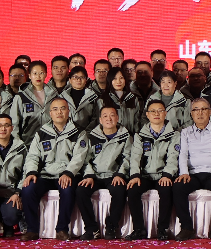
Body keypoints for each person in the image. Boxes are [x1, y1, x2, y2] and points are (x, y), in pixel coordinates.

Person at [20, 98, 88, 241]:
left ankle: (62, 229)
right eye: (55, 109)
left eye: (62, 108)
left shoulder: (79, 132)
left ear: (68, 111)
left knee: (67, 189)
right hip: (46, 174)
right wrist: (31, 172)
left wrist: (68, 173)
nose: (59, 112)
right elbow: (33, 156)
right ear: (50, 113)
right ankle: (32, 229)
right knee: (28, 188)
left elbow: (79, 157)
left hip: (67, 173)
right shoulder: (41, 132)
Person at [172, 98, 211, 240]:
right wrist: (184, 172)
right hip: (193, 174)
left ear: (210, 112)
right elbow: (183, 154)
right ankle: (186, 228)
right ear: (191, 113)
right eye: (196, 110)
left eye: (204, 109)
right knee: (178, 187)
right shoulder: (185, 132)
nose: (200, 113)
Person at [124, 99, 180, 241]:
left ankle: (162, 229)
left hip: (163, 175)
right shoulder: (139, 135)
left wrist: (167, 175)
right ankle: (139, 229)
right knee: (132, 189)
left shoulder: (174, 135)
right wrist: (135, 175)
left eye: (160, 111)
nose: (156, 114)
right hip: (145, 176)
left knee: (166, 189)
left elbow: (173, 157)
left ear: (165, 113)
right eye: (153, 111)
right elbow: (135, 157)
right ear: (147, 115)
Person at [75, 105, 132, 240]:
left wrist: (120, 174)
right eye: (105, 116)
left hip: (113, 175)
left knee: (119, 190)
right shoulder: (91, 136)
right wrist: (89, 175)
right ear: (100, 120)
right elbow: (85, 159)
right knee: (81, 190)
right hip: (95, 175)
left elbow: (128, 158)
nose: (109, 119)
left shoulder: (126, 136)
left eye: (112, 115)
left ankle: (111, 226)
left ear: (117, 118)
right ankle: (91, 228)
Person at [11, 61, 52, 143]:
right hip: (28, 142)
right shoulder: (21, 96)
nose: (38, 76)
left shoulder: (53, 95)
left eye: (41, 73)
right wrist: (18, 144)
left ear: (46, 74)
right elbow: (14, 123)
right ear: (29, 76)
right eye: (35, 73)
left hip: (50, 141)